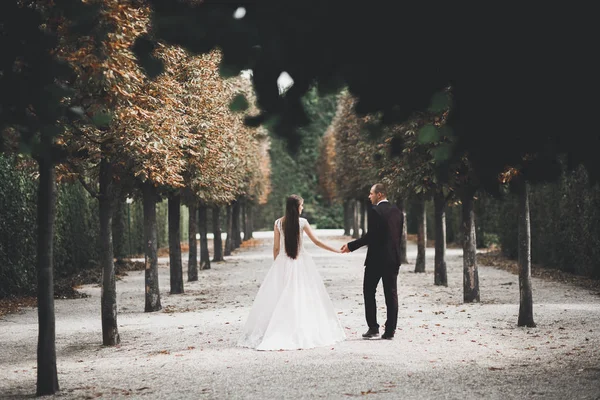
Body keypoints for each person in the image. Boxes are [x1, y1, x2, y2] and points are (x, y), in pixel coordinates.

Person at [238, 195, 346, 350]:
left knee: (279, 297)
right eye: (301, 205)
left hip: (282, 262)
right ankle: (300, 326)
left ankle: (276, 327)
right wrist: (336, 250)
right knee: (302, 295)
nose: (302, 208)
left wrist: (277, 265)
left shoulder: (278, 223)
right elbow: (316, 242)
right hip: (300, 262)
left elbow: (276, 248)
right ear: (296, 207)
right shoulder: (302, 223)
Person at [341, 183, 403, 340]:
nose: (369, 196)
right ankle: (390, 331)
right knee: (391, 294)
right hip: (393, 258)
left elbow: (371, 237)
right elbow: (398, 237)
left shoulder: (375, 211)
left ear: (380, 195)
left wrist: (351, 246)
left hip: (376, 259)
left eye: (371, 193)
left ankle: (373, 328)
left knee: (369, 292)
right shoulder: (397, 211)